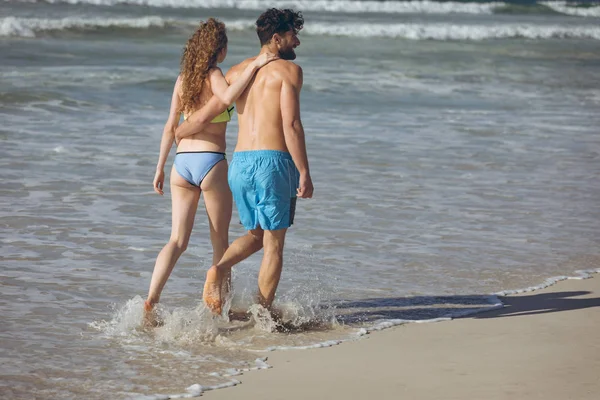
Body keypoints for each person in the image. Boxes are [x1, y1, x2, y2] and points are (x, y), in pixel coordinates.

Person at [176, 8, 313, 317]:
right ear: (277, 39)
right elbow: (291, 125)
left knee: (256, 235)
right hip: (273, 162)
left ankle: (219, 267)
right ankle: (263, 313)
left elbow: (213, 110)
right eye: (294, 36)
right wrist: (304, 172)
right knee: (274, 244)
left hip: (240, 164)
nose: (298, 43)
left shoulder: (236, 72)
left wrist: (180, 131)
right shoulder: (290, 72)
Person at [143, 18, 278, 323]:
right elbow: (228, 98)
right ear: (219, 49)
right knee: (220, 244)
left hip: (181, 165)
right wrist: (256, 65)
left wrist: (160, 168)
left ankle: (151, 300)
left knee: (176, 241)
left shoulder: (183, 80)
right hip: (211, 162)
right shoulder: (214, 74)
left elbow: (169, 128)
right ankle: (221, 312)